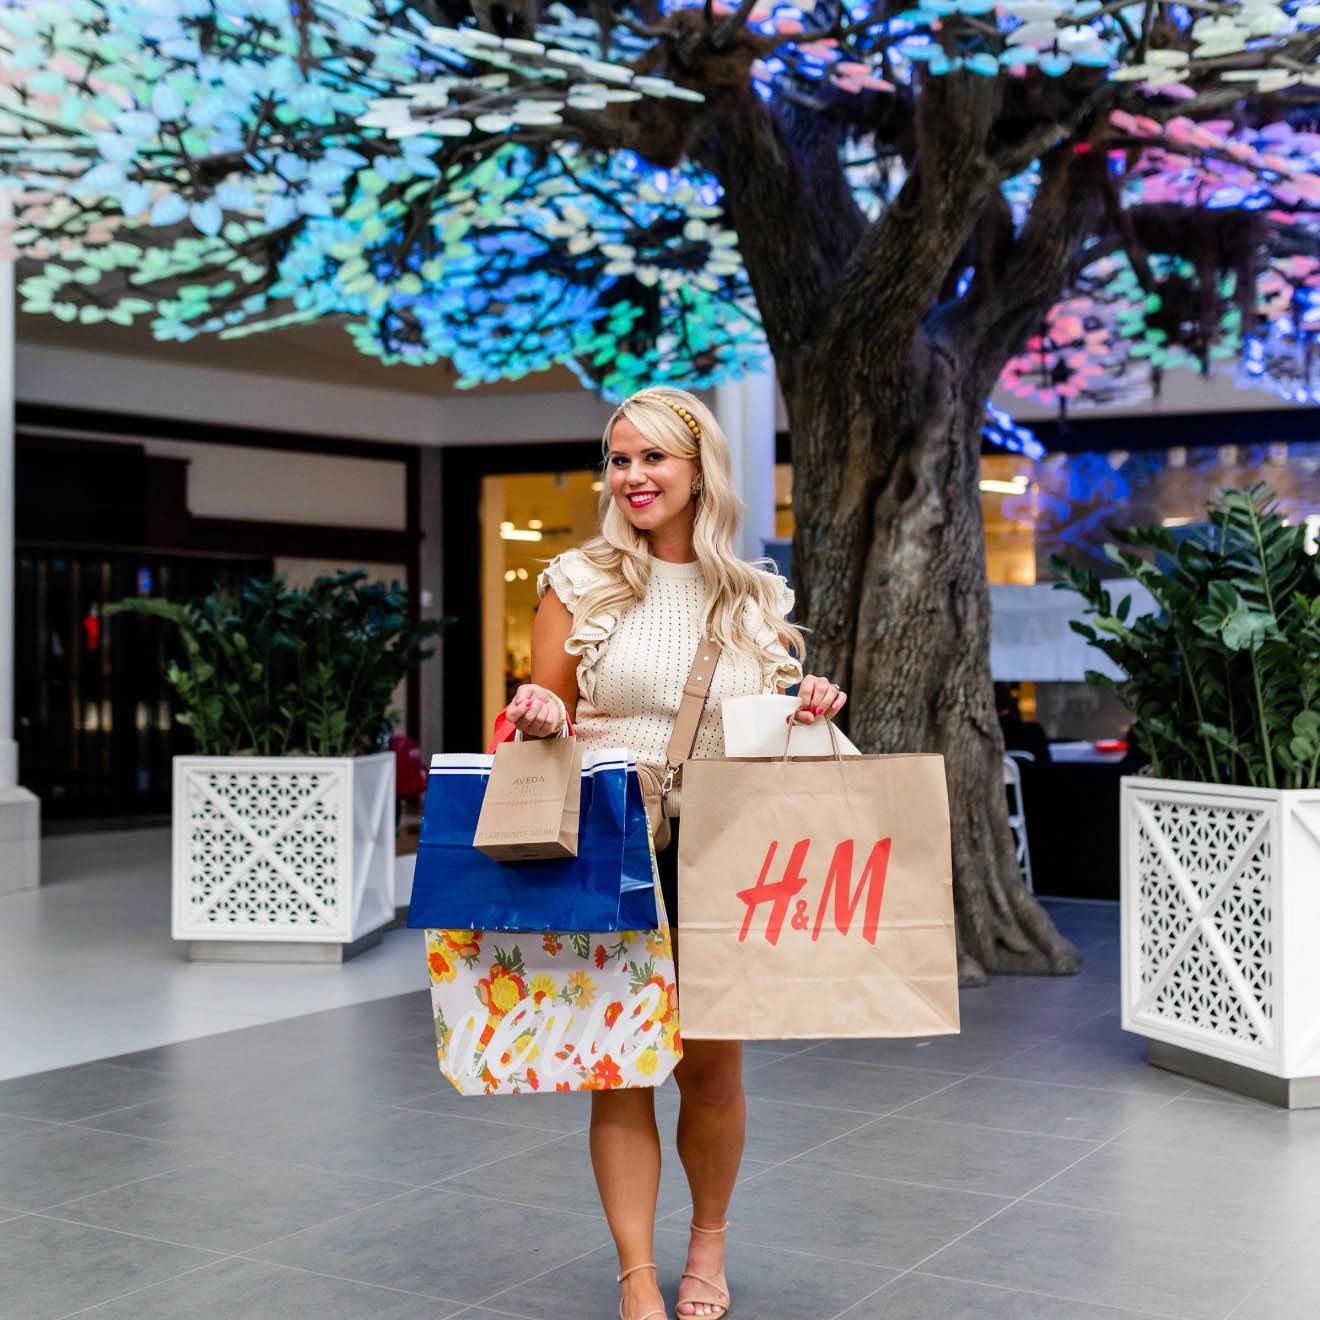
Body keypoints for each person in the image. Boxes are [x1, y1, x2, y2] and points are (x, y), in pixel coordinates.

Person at [503, 387, 847, 1320]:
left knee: (713, 1068)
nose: (633, 476)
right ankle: (636, 1276)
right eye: (619, 459)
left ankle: (706, 1250)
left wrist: (807, 697)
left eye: (653, 457)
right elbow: (545, 714)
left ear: (699, 470)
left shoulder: (756, 595)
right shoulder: (576, 582)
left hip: (723, 848)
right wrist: (539, 713)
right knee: (619, 1063)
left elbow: (767, 723)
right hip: (616, 840)